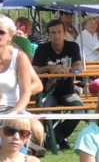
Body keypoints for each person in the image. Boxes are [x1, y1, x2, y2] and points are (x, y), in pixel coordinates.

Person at [33, 19, 86, 150]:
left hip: (68, 91)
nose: (56, 35)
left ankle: (54, 138)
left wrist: (70, 69)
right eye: (53, 32)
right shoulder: (42, 48)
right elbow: (33, 70)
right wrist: (49, 68)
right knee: (45, 110)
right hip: (47, 91)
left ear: (64, 33)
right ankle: (57, 140)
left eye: (59, 32)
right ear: (48, 35)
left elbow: (79, 67)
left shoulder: (73, 46)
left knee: (79, 110)